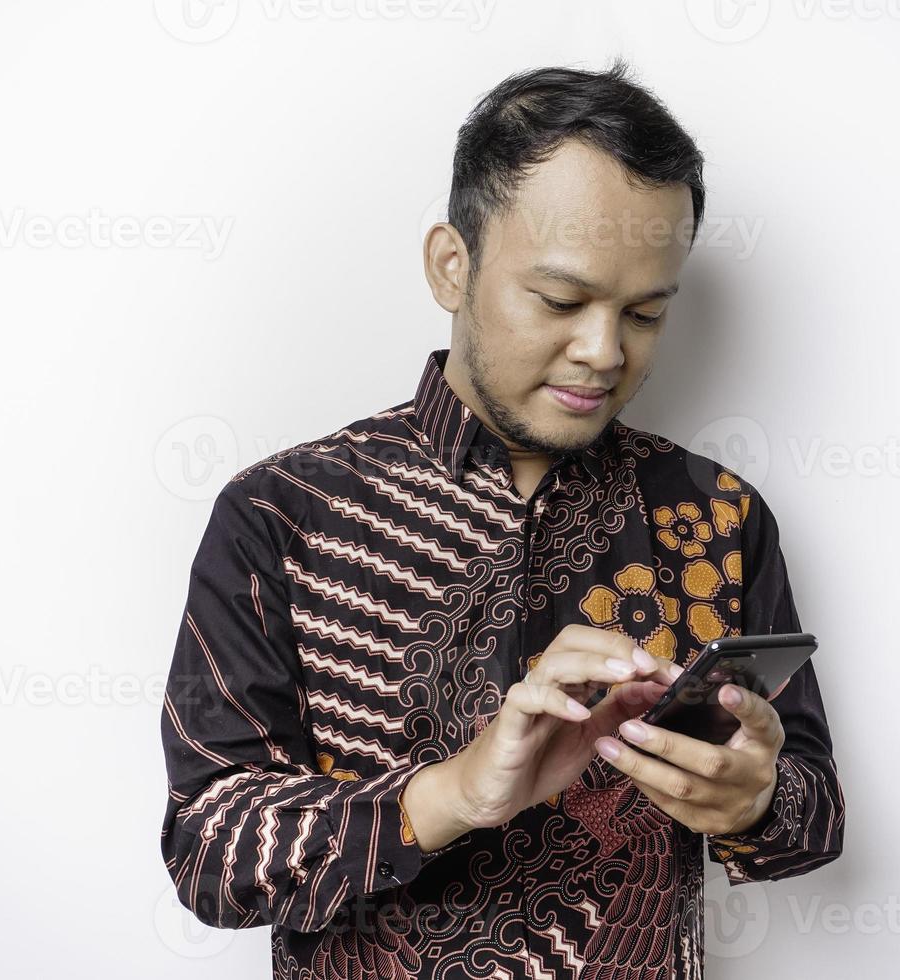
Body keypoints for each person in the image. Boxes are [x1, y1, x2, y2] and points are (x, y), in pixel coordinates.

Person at [159, 58, 844, 979]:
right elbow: (210, 855)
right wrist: (452, 794)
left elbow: (815, 819)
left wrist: (759, 802)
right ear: (453, 265)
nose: (604, 352)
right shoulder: (283, 516)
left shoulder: (718, 517)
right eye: (560, 301)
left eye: (644, 313)